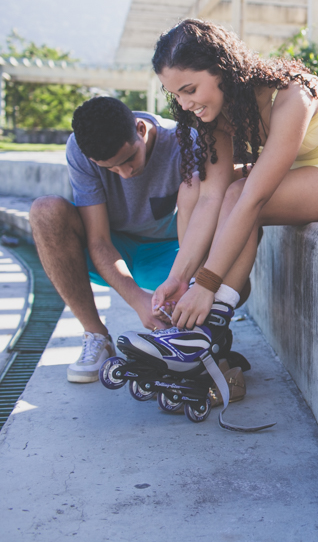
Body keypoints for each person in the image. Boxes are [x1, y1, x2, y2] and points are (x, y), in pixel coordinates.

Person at [147, 18, 318, 349]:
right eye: (175, 95)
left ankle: (211, 321)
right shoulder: (218, 116)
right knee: (195, 186)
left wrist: (206, 285)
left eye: (189, 90)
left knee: (242, 192)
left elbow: (253, 197)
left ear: (221, 69)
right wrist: (178, 279)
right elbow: (210, 198)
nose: (183, 105)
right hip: (311, 173)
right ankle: (198, 307)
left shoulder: (294, 93)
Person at [30, 96, 195, 382]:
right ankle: (97, 337)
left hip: (171, 251)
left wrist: (187, 282)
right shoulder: (81, 150)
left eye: (129, 158)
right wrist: (137, 300)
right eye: (111, 168)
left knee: (237, 284)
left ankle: (190, 334)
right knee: (45, 211)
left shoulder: (184, 141)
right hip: (114, 251)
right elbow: (99, 240)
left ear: (140, 129)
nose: (126, 173)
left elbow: (201, 227)